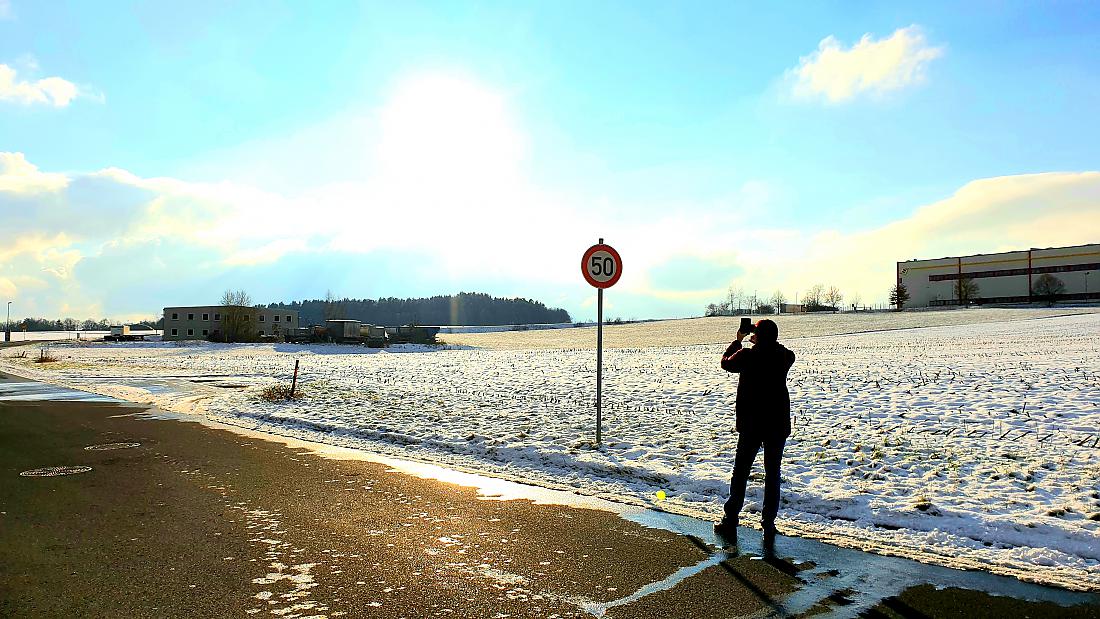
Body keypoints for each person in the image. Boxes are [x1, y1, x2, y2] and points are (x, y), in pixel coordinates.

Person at [714, 318, 795, 547]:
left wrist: (739, 340)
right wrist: (763, 338)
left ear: (757, 336)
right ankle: (768, 524)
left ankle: (731, 519)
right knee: (772, 475)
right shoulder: (784, 357)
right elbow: (785, 352)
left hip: (751, 424)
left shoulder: (747, 356)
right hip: (777, 425)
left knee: (741, 472)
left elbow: (725, 363)